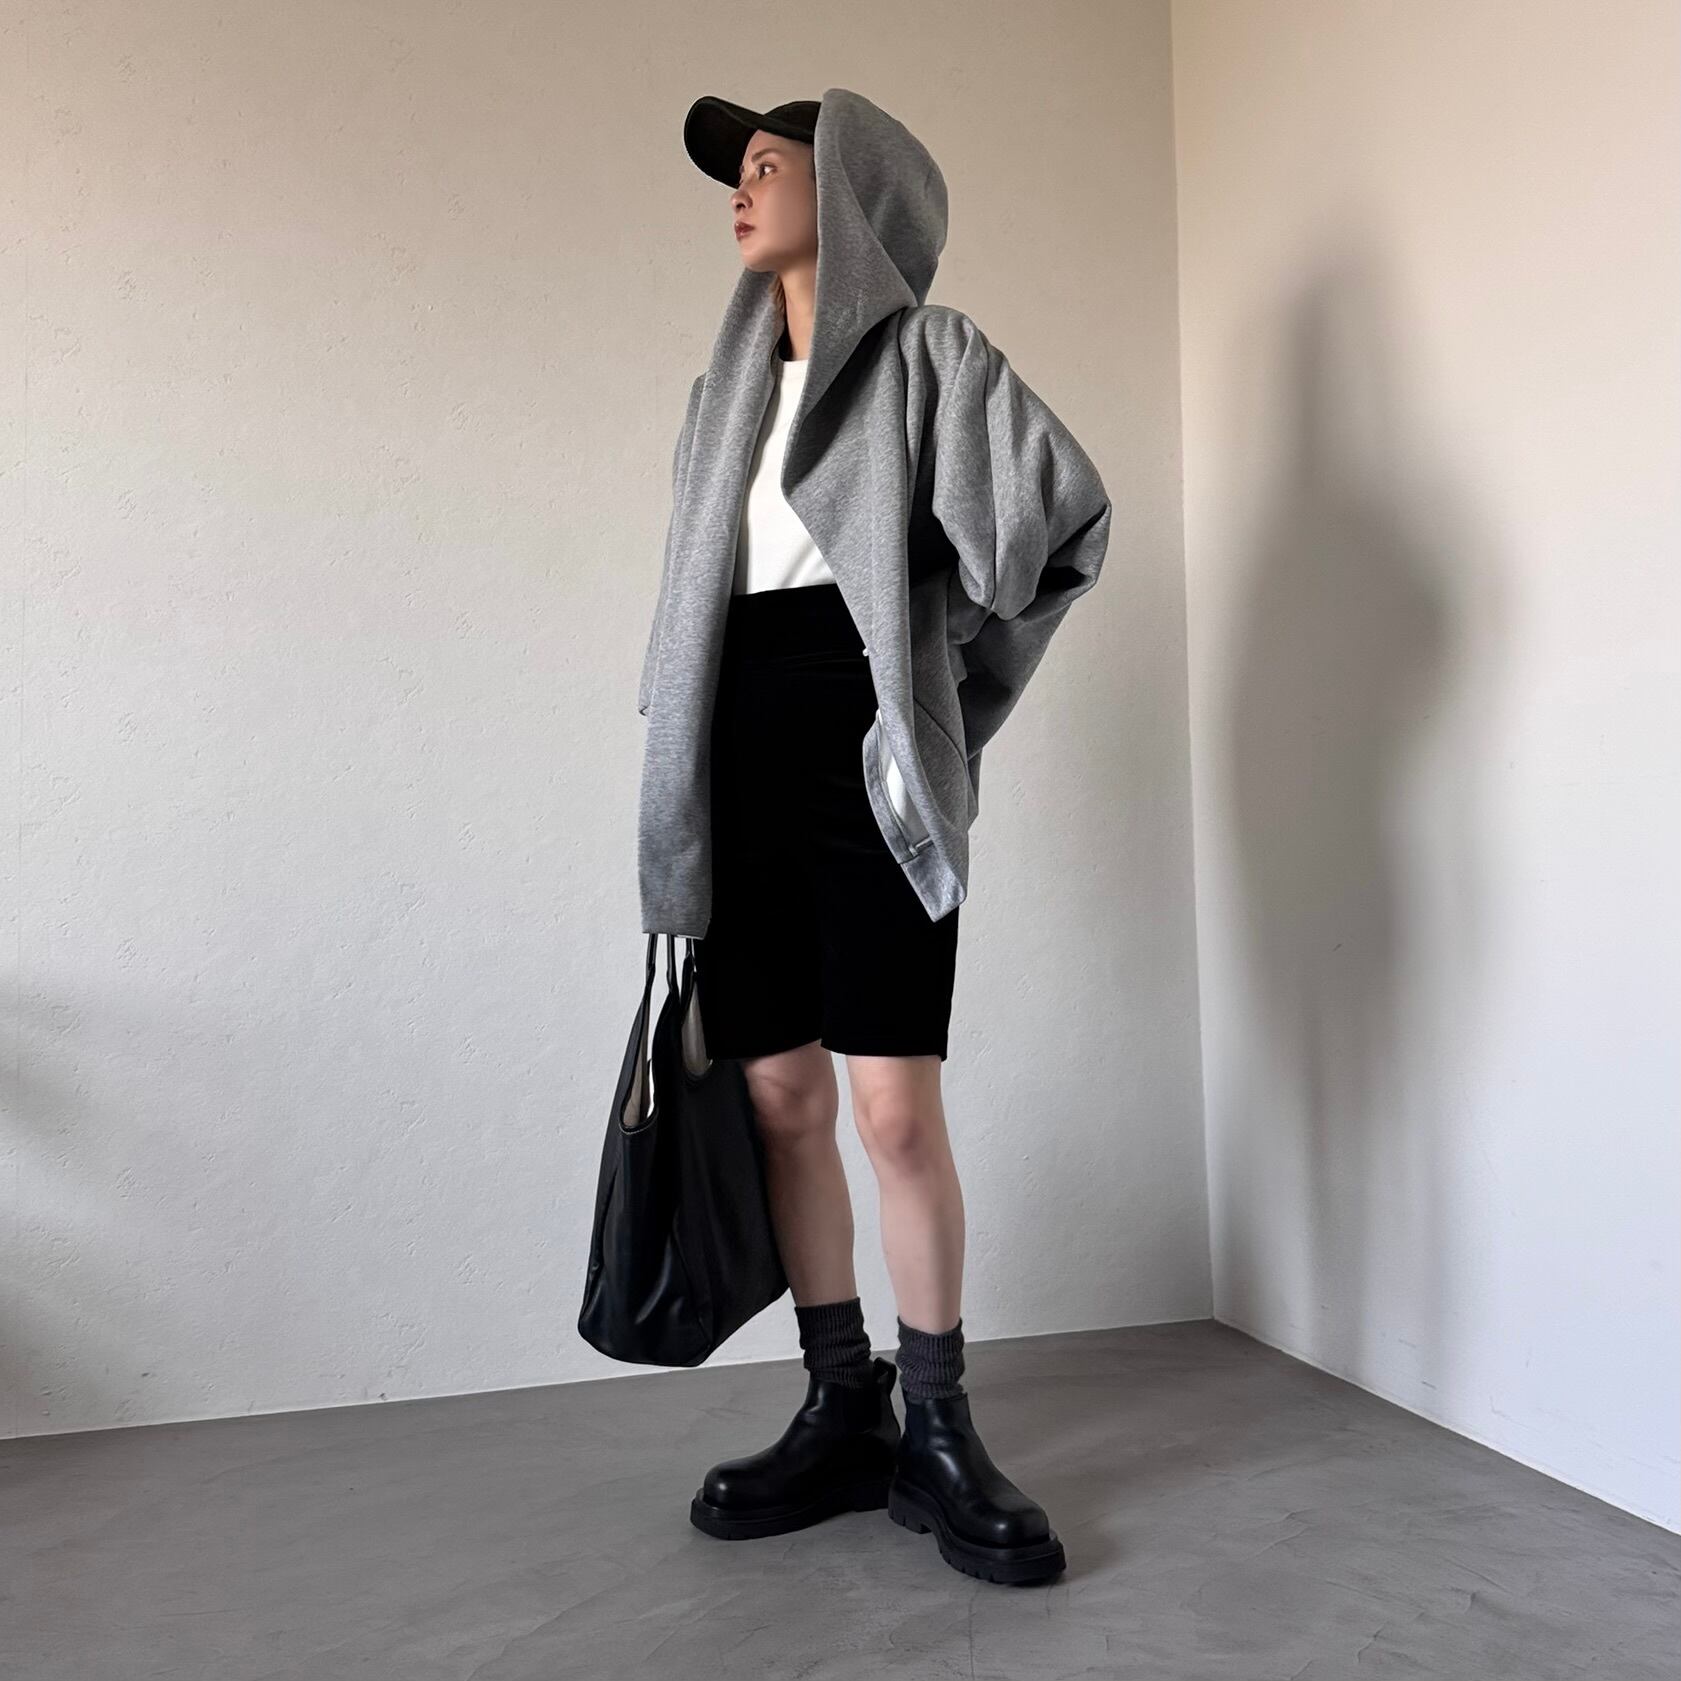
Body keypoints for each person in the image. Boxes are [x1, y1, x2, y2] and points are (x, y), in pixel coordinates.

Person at [637, 89, 1111, 1586]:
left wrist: (941, 682)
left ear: (850, 197)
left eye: (769, 166)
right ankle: (841, 1402)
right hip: (734, 752)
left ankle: (939, 1423)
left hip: (861, 755)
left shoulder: (932, 357)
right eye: (738, 172)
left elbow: (1058, 525)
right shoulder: (717, 396)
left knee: (894, 1111)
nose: (742, 190)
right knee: (782, 1100)